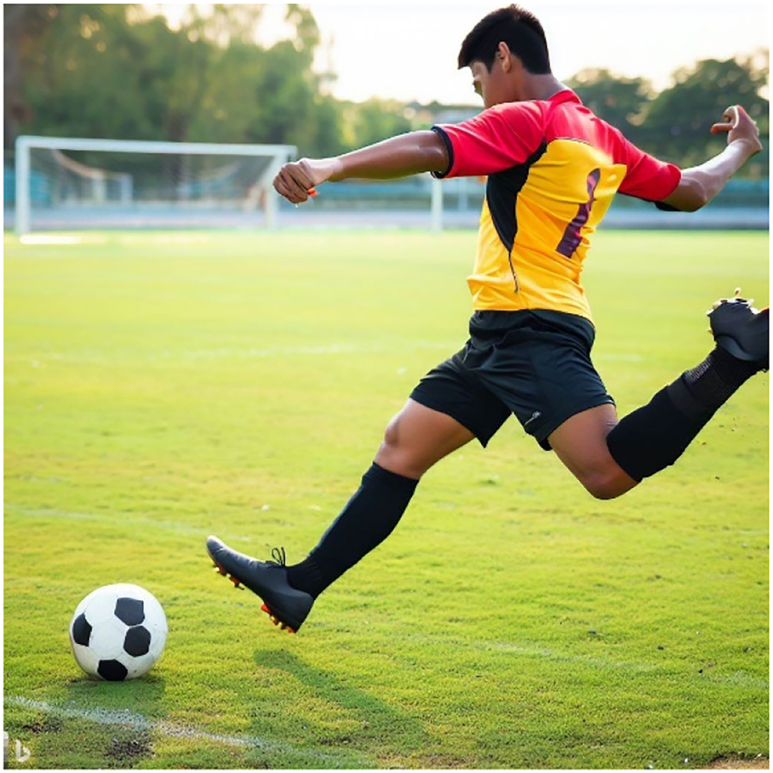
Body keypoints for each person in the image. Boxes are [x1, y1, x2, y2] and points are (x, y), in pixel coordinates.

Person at [206, 5, 768, 633]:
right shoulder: (599, 135)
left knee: (606, 471)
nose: (481, 99)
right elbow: (689, 188)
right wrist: (743, 146)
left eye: (478, 82)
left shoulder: (531, 119)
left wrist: (329, 166)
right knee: (401, 446)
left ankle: (732, 360)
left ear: (503, 57)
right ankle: (299, 587)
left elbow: (431, 147)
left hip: (529, 329)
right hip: (502, 332)